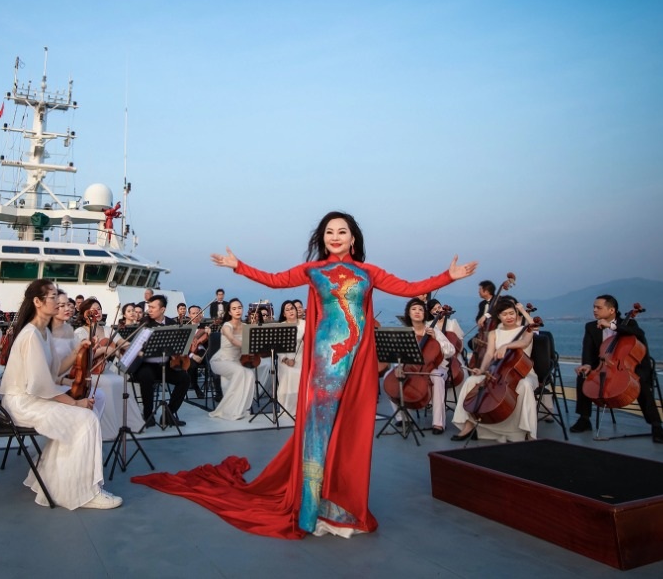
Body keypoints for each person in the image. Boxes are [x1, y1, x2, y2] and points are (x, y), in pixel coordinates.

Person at [133, 211, 475, 538]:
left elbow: (406, 287)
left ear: (353, 239)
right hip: (327, 357)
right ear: (323, 239)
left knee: (349, 431)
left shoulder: (369, 272)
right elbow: (275, 280)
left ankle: (338, 502)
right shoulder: (313, 270)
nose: (335, 237)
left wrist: (448, 277)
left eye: (342, 231)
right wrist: (239, 267)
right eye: (330, 232)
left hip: (355, 362)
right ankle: (311, 509)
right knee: (318, 427)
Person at [0, 279, 121, 509]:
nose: (59, 302)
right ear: (37, 302)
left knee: (91, 406)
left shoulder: (41, 332)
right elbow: (42, 386)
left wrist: (77, 352)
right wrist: (76, 403)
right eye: (53, 297)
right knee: (85, 419)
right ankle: (83, 492)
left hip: (33, 397)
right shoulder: (32, 335)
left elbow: (55, 372)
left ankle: (57, 474)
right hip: (24, 402)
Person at [570, 295, 663, 443]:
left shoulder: (629, 324)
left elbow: (640, 334)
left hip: (633, 367)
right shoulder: (591, 327)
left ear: (611, 310)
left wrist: (612, 327)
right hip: (604, 366)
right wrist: (587, 364)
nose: (594, 310)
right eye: (594, 307)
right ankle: (584, 419)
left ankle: (656, 426)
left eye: (599, 307)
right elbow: (588, 350)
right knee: (583, 376)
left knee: (640, 383)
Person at [450, 297, 537, 442]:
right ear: (499, 317)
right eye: (504, 314)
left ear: (516, 313)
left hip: (522, 374)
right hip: (499, 373)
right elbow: (490, 354)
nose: (509, 317)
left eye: (511, 313)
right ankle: (469, 425)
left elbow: (524, 341)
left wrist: (506, 345)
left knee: (525, 386)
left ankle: (527, 431)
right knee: (471, 380)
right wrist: (481, 369)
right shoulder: (494, 333)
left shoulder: (525, 330)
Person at [382, 298, 454, 434]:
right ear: (408, 313)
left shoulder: (433, 330)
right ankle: (403, 417)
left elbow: (451, 351)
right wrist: (397, 367)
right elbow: (399, 356)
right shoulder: (406, 333)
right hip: (411, 368)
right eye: (414, 309)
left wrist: (436, 339)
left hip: (434, 368)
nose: (417, 312)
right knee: (389, 376)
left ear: (425, 314)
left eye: (421, 309)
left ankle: (438, 423)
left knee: (437, 378)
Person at [73, 297, 141, 439]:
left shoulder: (107, 329)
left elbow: (122, 342)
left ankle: (131, 424)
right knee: (110, 383)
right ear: (85, 313)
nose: (97, 311)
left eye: (99, 309)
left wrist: (136, 347)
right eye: (93, 309)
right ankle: (108, 430)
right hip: (89, 371)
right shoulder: (80, 332)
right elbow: (84, 354)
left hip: (105, 369)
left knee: (122, 382)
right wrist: (104, 349)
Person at [131, 294, 190, 428]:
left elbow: (178, 345)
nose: (149, 310)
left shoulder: (172, 324)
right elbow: (137, 346)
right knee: (146, 377)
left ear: (162, 309)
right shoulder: (145, 323)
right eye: (149, 307)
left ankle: (169, 413)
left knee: (184, 379)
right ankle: (148, 415)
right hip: (147, 364)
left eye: (152, 307)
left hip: (166, 364)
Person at [206, 299, 256, 421]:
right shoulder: (226, 326)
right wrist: (247, 347)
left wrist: (253, 329)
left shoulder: (245, 326)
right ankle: (228, 410)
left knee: (249, 374)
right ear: (229, 311)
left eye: (239, 307)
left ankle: (242, 408)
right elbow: (233, 340)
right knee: (239, 372)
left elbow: (253, 340)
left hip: (236, 361)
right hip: (221, 361)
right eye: (234, 309)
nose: (237, 310)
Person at [275, 299, 306, 416]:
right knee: (291, 373)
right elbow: (277, 348)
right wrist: (286, 360)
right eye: (287, 310)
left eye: (292, 308)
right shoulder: (281, 326)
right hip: (286, 360)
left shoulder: (305, 324)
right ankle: (288, 409)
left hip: (302, 358)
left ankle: (302, 408)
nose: (290, 311)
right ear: (284, 314)